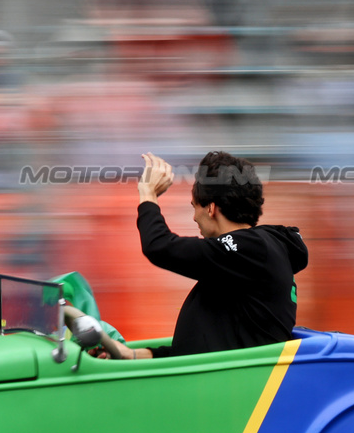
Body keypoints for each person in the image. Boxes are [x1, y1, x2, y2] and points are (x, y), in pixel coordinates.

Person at [67, 150, 307, 360]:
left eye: (195, 207)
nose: (194, 218)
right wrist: (133, 354)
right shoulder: (244, 261)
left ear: (211, 208)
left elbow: (159, 247)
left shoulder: (254, 248)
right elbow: (206, 347)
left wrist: (148, 195)